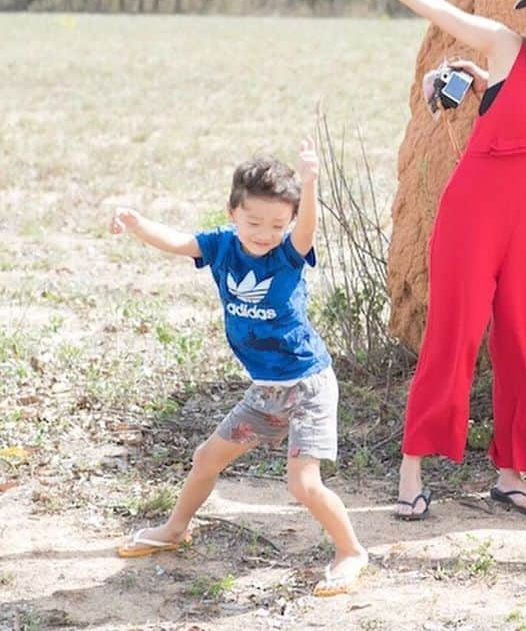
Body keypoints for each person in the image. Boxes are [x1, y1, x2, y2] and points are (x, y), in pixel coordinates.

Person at [323, 0, 526, 517]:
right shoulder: (505, 49)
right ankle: (412, 472)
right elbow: (435, 10)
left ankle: (511, 474)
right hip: (473, 215)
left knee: (524, 344)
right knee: (454, 335)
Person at [111, 142, 367, 598]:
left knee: (303, 483)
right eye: (254, 222)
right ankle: (174, 528)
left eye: (276, 224)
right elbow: (177, 241)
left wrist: (309, 185)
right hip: (266, 392)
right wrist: (136, 224)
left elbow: (306, 227)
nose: (264, 233)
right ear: (232, 212)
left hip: (307, 386)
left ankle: (350, 551)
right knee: (206, 459)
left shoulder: (288, 252)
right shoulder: (222, 246)